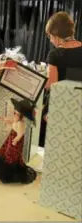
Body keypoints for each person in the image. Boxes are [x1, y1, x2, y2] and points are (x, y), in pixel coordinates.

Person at [40, 11, 82, 147]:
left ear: (55, 34)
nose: (51, 40)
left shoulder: (56, 54)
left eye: (50, 36)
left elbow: (51, 84)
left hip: (59, 110)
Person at [0, 98, 37, 184]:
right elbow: (12, 122)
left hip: (15, 140)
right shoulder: (16, 121)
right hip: (11, 137)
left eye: (17, 114)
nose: (14, 115)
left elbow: (20, 134)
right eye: (14, 113)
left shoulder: (21, 124)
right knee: (4, 150)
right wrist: (5, 120)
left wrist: (16, 140)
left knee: (11, 153)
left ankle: (10, 171)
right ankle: (2, 164)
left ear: (22, 116)